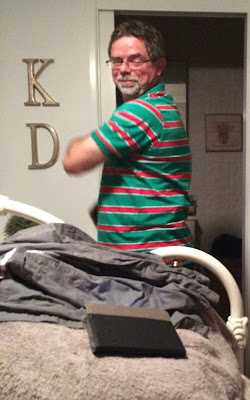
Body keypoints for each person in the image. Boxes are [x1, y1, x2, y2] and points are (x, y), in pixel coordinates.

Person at [63, 19, 193, 257]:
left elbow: (73, 161)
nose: (123, 69)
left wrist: (75, 144)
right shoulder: (162, 106)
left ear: (159, 65)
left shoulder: (141, 112)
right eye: (116, 61)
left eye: (135, 60)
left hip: (146, 261)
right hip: (154, 255)